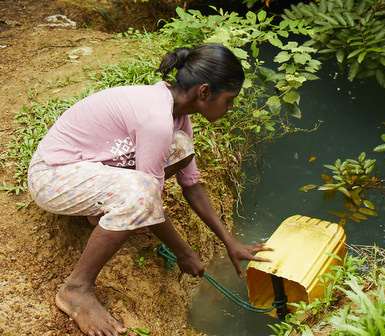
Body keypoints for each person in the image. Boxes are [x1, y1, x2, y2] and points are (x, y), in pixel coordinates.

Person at [27, 43, 271, 336]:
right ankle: (75, 289)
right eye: (229, 100)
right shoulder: (156, 120)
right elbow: (148, 198)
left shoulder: (177, 113)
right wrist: (184, 252)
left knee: (181, 148)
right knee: (141, 196)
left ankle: (100, 212)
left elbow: (191, 184)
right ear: (204, 92)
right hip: (52, 176)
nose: (230, 108)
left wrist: (229, 241)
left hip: (89, 165)